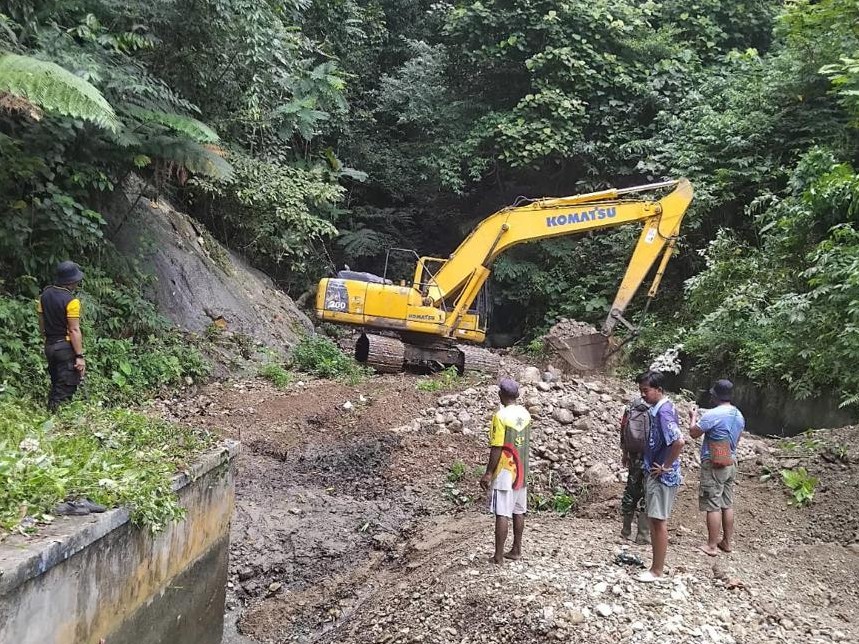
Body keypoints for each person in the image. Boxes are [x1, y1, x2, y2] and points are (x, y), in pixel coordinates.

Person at [635, 370, 685, 583]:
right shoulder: (663, 408)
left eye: (646, 391)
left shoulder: (663, 412)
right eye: (641, 391)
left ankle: (657, 570)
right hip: (658, 470)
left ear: (659, 390)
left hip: (662, 475)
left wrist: (665, 466)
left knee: (658, 521)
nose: (643, 395)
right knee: (655, 519)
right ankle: (655, 567)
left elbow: (679, 441)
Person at [689, 379, 745, 556]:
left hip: (714, 462)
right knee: (727, 504)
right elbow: (736, 441)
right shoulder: (739, 415)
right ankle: (727, 542)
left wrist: (692, 417)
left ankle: (711, 545)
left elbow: (693, 433)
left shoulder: (713, 414)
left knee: (712, 503)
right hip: (731, 461)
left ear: (715, 395)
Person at [480, 378, 532, 565]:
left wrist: (488, 473)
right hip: (522, 470)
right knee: (519, 510)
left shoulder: (500, 416)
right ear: (517, 395)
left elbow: (497, 447)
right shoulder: (525, 414)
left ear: (501, 395)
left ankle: (498, 556)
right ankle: (516, 549)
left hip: (505, 472)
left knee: (502, 512)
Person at [38, 260, 86, 411]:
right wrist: (79, 356)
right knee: (66, 387)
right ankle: (57, 419)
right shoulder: (72, 302)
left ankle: (50, 415)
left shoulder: (44, 296)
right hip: (65, 348)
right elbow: (74, 330)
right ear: (71, 281)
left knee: (56, 383)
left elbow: (41, 323)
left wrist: (47, 339)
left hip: (50, 346)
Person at [619, 395, 651, 544]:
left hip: (634, 455)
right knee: (647, 493)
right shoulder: (656, 408)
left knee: (631, 490)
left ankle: (626, 531)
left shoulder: (631, 406)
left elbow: (623, 429)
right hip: (651, 458)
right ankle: (643, 535)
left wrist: (625, 453)